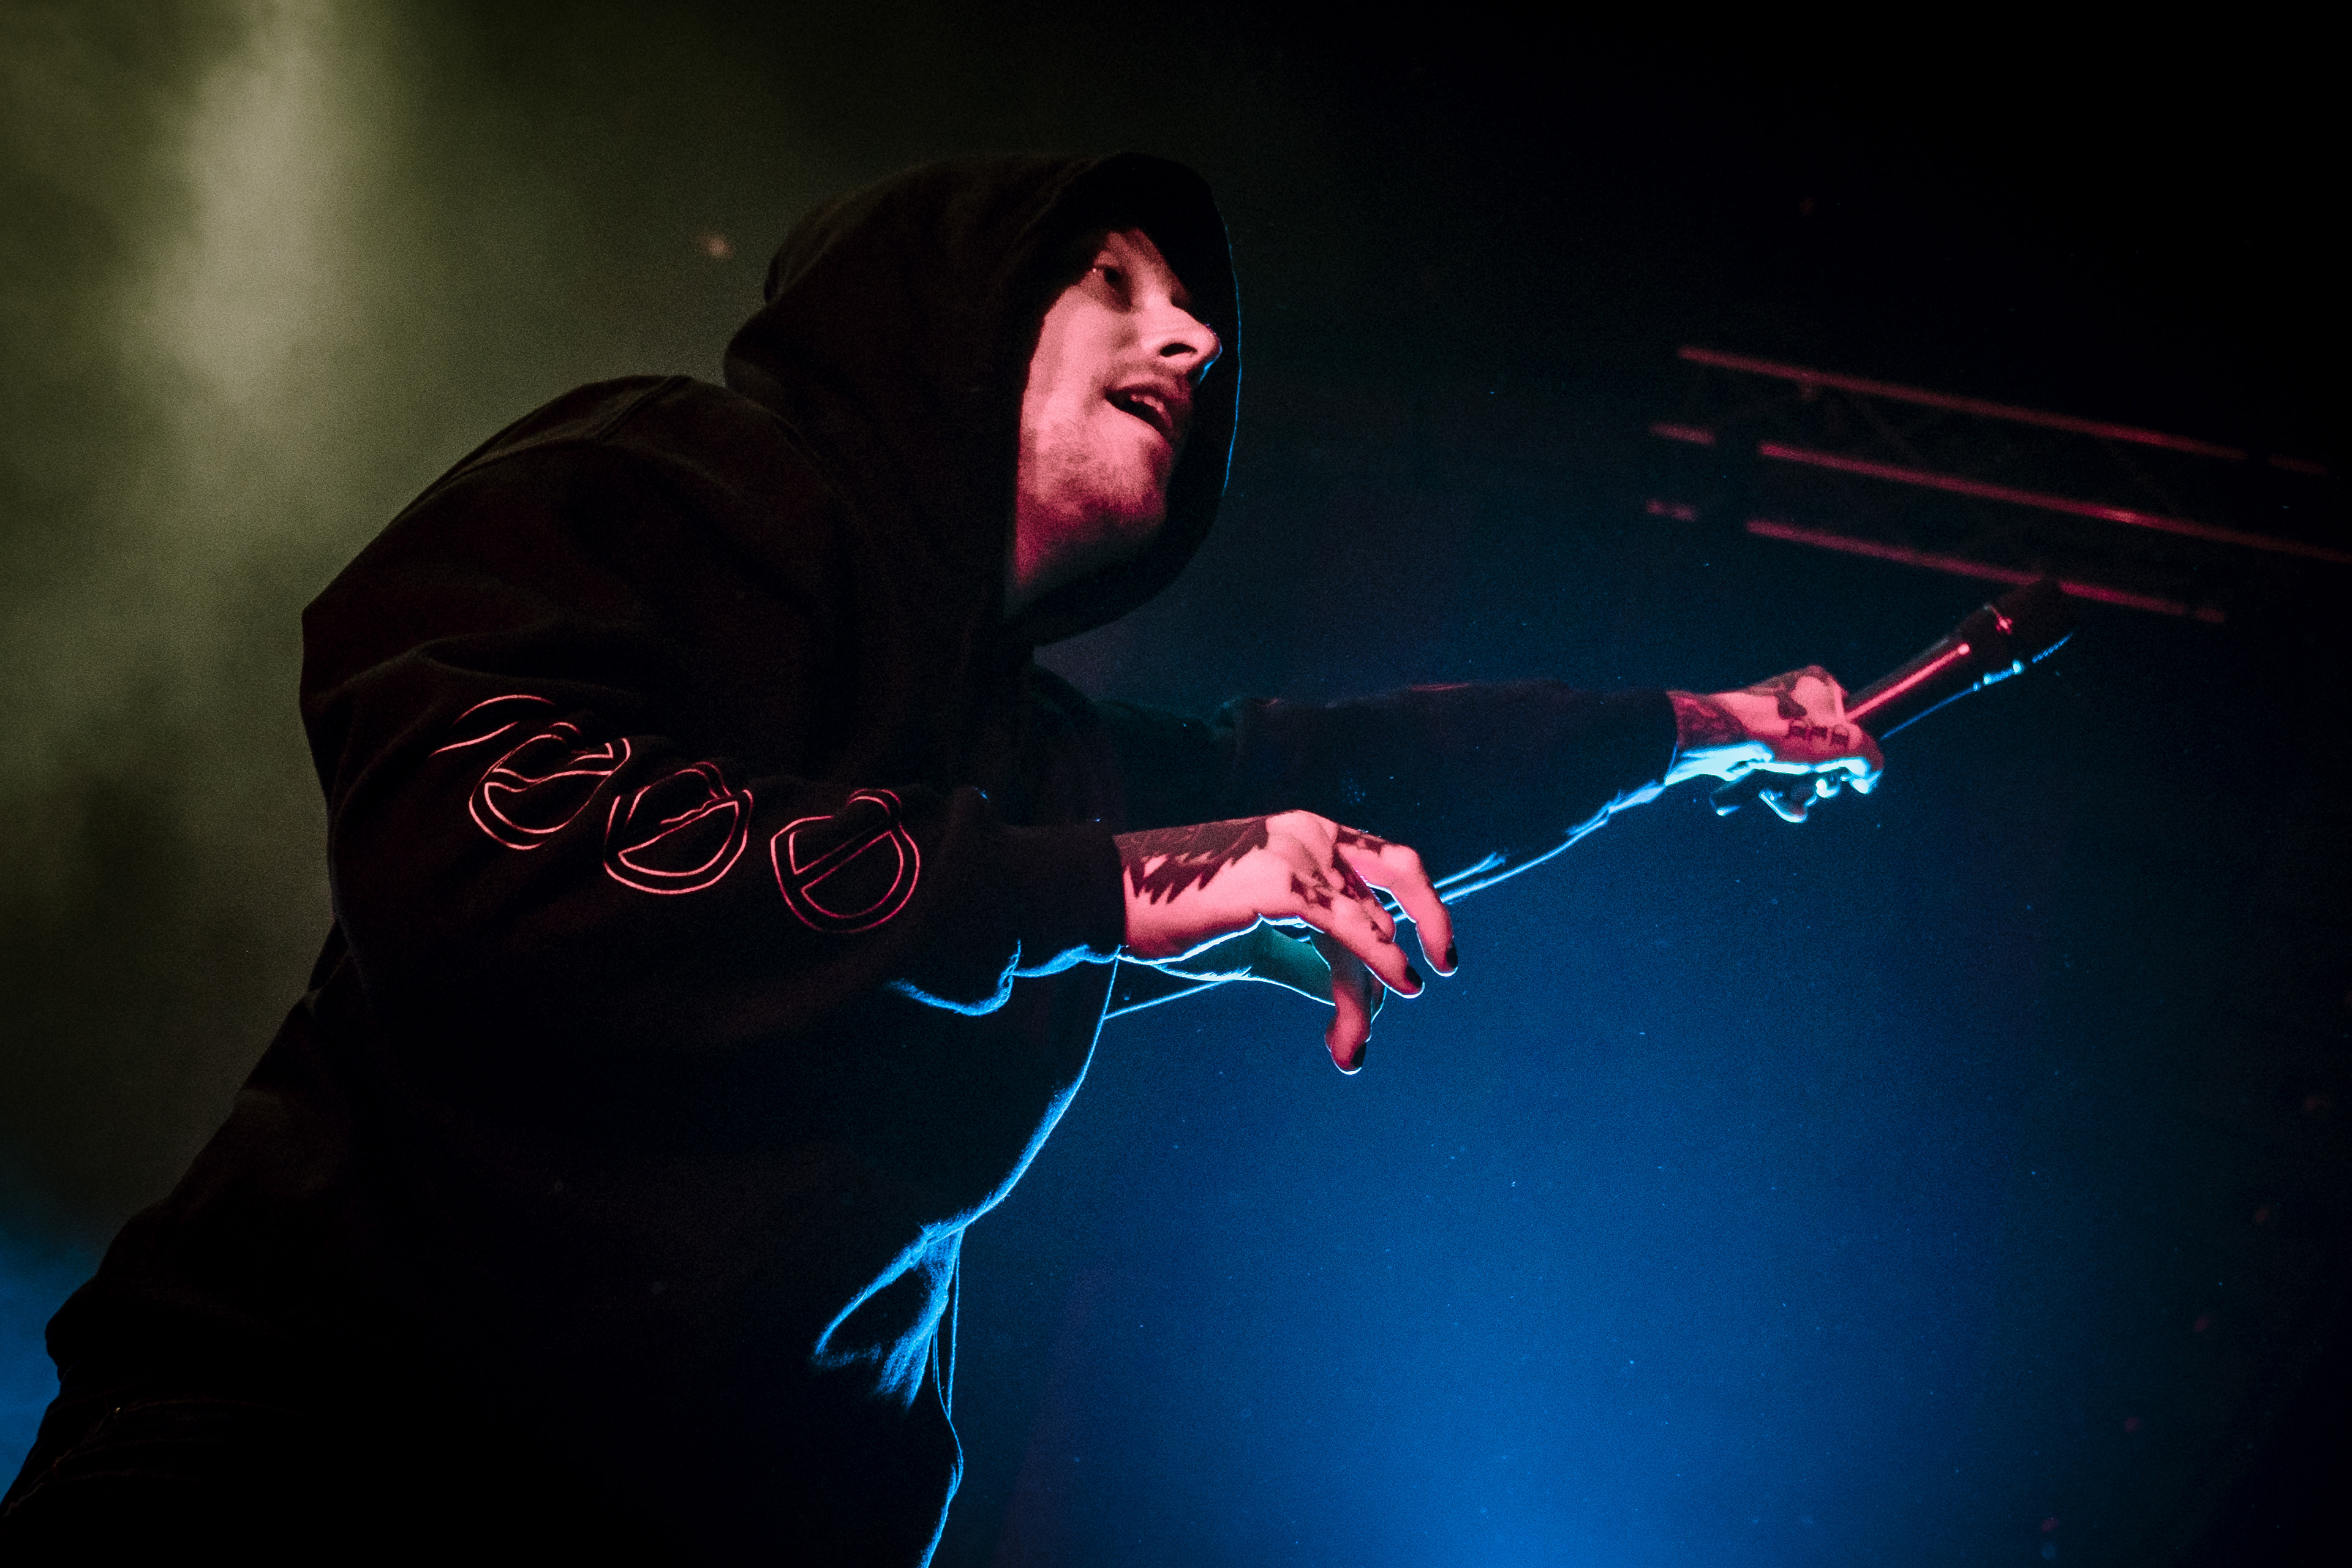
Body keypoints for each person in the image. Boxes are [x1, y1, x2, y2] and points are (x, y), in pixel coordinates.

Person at [0, 153, 1879, 1563]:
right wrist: (1096, 892)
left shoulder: (1044, 757)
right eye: (1114, 282)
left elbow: (1325, 770)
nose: (1194, 337)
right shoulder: (681, 482)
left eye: (1196, 311)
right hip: (317, 1468)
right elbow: (478, 835)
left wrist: (1696, 728)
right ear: (944, 317)